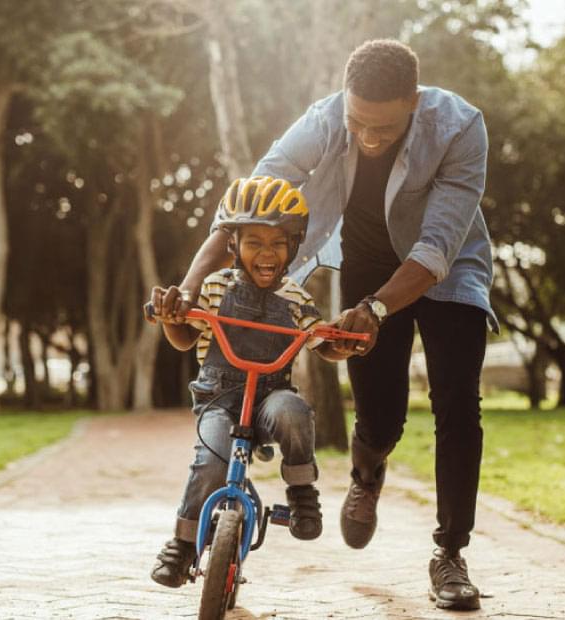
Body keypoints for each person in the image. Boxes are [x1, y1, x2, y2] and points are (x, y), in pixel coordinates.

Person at [156, 40, 496, 610]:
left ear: (413, 101)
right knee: (381, 416)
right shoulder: (324, 119)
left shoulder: (460, 128)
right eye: (358, 122)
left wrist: (378, 310)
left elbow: (437, 246)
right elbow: (248, 205)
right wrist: (190, 286)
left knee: (457, 402)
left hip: (448, 266)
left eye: (384, 128)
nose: (367, 137)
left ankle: (450, 553)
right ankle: (368, 474)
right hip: (368, 261)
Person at [148, 176, 354, 589]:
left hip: (269, 398)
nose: (266, 253)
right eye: (254, 242)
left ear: (293, 247)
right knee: (211, 461)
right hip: (219, 399)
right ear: (233, 246)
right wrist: (172, 320)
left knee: (294, 413)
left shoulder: (296, 298)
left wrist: (344, 343)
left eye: (278, 243)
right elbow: (186, 337)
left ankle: (300, 492)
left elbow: (321, 342)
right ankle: (183, 543)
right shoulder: (212, 287)